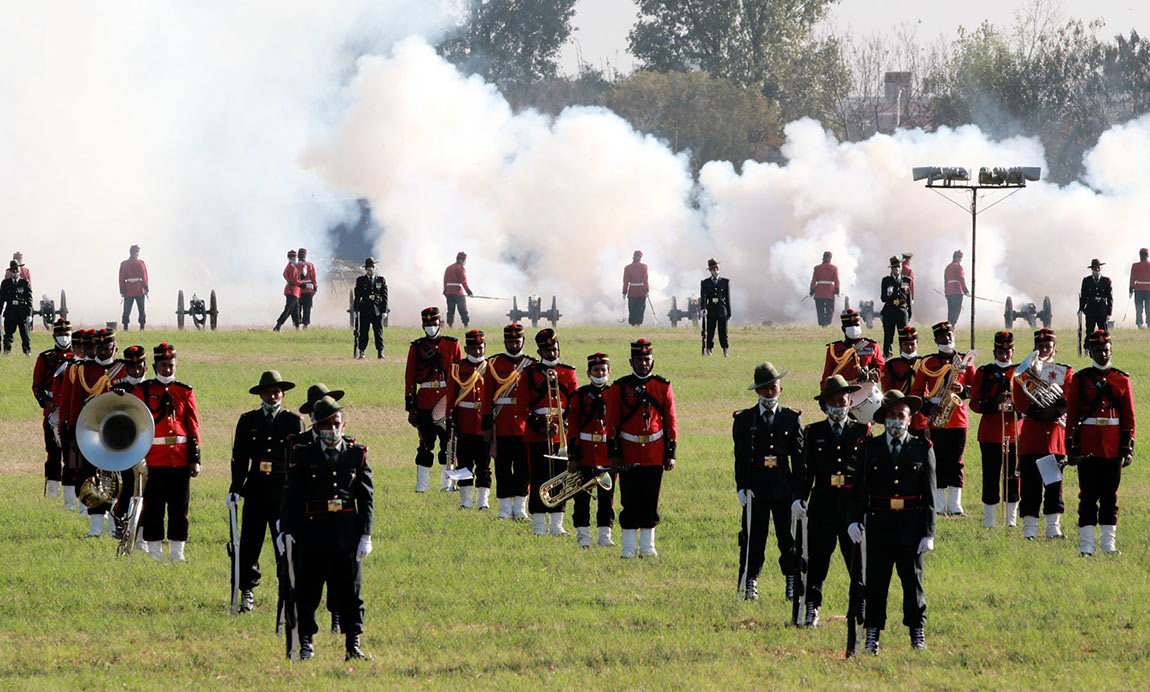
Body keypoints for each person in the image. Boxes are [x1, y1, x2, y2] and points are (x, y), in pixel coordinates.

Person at [280, 396, 373, 661]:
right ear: (317, 428)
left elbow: (366, 498)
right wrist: (285, 530)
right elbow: (292, 496)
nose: (332, 429)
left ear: (344, 423)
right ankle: (306, 642)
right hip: (312, 534)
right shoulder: (303, 454)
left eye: (337, 423)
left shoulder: (357, 453)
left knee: (351, 593)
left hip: (347, 535)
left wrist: (366, 534)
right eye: (326, 425)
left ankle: (353, 644)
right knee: (307, 592)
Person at [855, 390, 936, 654]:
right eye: (891, 415)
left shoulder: (922, 448)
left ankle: (917, 632)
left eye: (901, 415)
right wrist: (856, 521)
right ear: (883, 419)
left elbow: (930, 494)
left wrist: (929, 532)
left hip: (911, 528)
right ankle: (872, 635)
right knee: (876, 584)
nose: (896, 420)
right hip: (879, 526)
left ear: (910, 419)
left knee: (912, 583)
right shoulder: (870, 448)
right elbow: (859, 490)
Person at [791, 375, 868, 626]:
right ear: (825, 404)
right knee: (817, 560)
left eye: (842, 401)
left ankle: (859, 606)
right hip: (822, 502)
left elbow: (866, 474)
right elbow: (806, 472)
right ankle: (812, 607)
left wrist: (864, 509)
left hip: (851, 505)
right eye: (833, 401)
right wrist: (798, 498)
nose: (838, 406)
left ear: (850, 402)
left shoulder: (862, 431)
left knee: (855, 561)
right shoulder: (813, 432)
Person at [228, 371, 303, 613]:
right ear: (260, 394)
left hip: (283, 491)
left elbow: (299, 460)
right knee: (249, 543)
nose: (273, 395)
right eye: (268, 391)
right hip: (257, 488)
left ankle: (288, 590)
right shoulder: (248, 420)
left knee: (285, 544)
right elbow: (239, 458)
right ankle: (247, 591)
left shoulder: (293, 421)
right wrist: (236, 488)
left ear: (283, 394)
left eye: (277, 391)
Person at [731, 362, 802, 599]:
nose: (770, 393)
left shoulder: (792, 419)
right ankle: (749, 581)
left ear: (781, 389)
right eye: (764, 389)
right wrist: (742, 487)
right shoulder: (744, 420)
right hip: (756, 486)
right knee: (753, 538)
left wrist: (800, 494)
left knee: (788, 539)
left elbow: (799, 461)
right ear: (757, 391)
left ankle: (792, 581)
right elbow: (740, 457)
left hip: (784, 486)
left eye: (774, 387)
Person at [1066, 330, 1135, 556]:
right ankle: (1086, 546)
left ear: (1111, 350)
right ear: (1091, 353)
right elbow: (1073, 414)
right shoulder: (1081, 378)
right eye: (1097, 350)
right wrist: (1072, 449)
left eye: (1106, 350)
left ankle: (1108, 545)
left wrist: (1128, 449)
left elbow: (1128, 417)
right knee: (1087, 496)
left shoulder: (1121, 379)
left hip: (1113, 447)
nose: (1102, 354)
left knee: (1109, 496)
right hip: (1088, 446)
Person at [607, 338, 677, 558]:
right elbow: (612, 423)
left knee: (650, 499)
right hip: (628, 451)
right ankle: (628, 548)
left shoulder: (662, 386)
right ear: (631, 361)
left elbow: (670, 423)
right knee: (628, 498)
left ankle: (647, 547)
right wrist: (614, 455)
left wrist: (670, 454)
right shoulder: (619, 387)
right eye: (639, 359)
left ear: (652, 360)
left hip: (654, 452)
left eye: (647, 359)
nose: (643, 363)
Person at [132, 343, 201, 562]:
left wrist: (195, 459)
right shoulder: (143, 390)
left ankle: (177, 553)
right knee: (154, 508)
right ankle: (154, 553)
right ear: (154, 366)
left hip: (179, 459)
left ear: (176, 365)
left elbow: (193, 427)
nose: (167, 369)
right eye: (163, 365)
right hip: (154, 459)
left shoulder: (185, 391)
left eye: (171, 365)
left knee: (179, 508)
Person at [65, 329, 130, 536]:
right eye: (99, 347)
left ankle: (113, 524)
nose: (102, 351)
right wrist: (75, 434)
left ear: (114, 347)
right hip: (92, 431)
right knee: (92, 475)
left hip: (118, 433)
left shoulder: (123, 369)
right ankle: (95, 527)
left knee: (118, 479)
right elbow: (76, 404)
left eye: (107, 348)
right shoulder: (84, 369)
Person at [516, 328, 578, 536]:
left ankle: (557, 524)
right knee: (539, 477)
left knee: (560, 477)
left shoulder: (568, 372)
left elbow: (574, 404)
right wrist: (540, 426)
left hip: (561, 432)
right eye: (547, 350)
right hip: (537, 432)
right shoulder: (529, 373)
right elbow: (522, 406)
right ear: (540, 351)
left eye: (554, 349)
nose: (552, 353)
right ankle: (539, 525)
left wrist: (563, 425)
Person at [1012, 328, 1073, 540]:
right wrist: (1036, 411)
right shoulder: (1024, 373)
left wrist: (1054, 411)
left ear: (1055, 350)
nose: (1045, 350)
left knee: (1054, 483)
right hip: (1032, 434)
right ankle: (1029, 528)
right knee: (1030, 484)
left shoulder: (1064, 371)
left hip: (1054, 435)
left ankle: (1052, 527)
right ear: (1035, 349)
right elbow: (1019, 398)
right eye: (1041, 347)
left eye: (1048, 347)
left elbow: (1068, 395)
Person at [910, 322, 971, 516]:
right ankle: (938, 504)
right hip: (936, 417)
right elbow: (916, 391)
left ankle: (955, 504)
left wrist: (964, 391)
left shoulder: (964, 361)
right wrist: (929, 408)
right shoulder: (928, 363)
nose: (947, 339)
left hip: (958, 417)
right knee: (937, 460)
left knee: (956, 460)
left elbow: (976, 388)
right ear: (936, 339)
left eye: (950, 335)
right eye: (943, 336)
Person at [482, 323, 536, 520]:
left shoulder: (532, 364)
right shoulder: (494, 364)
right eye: (510, 341)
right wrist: (487, 426)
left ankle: (520, 506)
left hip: (525, 426)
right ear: (505, 341)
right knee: (502, 468)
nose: (514, 344)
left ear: (523, 341)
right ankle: (504, 508)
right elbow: (487, 397)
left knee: (523, 469)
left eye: (517, 340)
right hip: (502, 424)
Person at [404, 307, 461, 492]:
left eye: (434, 323)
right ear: (423, 325)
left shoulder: (453, 344)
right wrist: (412, 408)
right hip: (425, 402)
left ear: (440, 324)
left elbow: (460, 376)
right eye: (427, 324)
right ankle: (422, 486)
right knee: (425, 444)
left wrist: (457, 403)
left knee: (449, 445)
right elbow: (410, 378)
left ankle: (448, 485)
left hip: (446, 401)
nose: (431, 327)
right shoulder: (416, 347)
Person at [968, 332, 1021, 528]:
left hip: (1013, 432)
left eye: (1008, 351)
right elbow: (974, 403)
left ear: (1013, 351)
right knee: (990, 476)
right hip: (990, 433)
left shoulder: (1020, 372)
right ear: (994, 351)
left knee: (1013, 477)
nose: (1005, 355)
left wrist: (1018, 407)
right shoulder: (984, 372)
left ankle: (1011, 520)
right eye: (1000, 351)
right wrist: (993, 403)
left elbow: (1027, 401)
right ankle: (990, 521)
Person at [565, 352, 617, 548]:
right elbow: (573, 427)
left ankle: (605, 535)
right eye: (596, 370)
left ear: (609, 371)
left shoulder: (614, 393)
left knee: (607, 497)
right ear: (589, 373)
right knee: (582, 497)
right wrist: (573, 456)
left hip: (606, 453)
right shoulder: (579, 395)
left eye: (603, 370)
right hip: (585, 453)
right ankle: (583, 535)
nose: (600, 373)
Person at [446, 330, 491, 510]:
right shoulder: (457, 368)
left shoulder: (490, 368)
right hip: (464, 422)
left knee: (484, 464)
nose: (478, 351)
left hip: (484, 424)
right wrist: (451, 418)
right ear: (466, 348)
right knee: (463, 463)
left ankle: (483, 501)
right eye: (473, 348)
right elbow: (451, 396)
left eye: (480, 347)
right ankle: (465, 501)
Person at [32, 319, 73, 498]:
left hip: (71, 409)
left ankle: (72, 492)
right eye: (60, 334)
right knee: (53, 451)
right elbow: (37, 386)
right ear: (54, 336)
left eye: (66, 334)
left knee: (72, 452)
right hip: (51, 408)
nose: (63, 338)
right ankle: (53, 490)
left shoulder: (77, 358)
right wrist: (46, 402)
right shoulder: (45, 358)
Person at [820, 309, 884, 391]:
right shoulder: (834, 348)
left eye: (856, 325)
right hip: (843, 390)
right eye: (850, 326)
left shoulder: (872, 345)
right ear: (843, 329)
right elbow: (827, 374)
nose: (854, 328)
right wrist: (824, 393)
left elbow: (881, 367)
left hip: (866, 389)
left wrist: (871, 375)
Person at [353, 257, 388, 359]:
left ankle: (380, 352)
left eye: (372, 267)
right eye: (368, 267)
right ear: (365, 268)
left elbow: (384, 297)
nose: (370, 269)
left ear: (375, 267)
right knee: (363, 332)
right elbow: (357, 297)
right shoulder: (360, 280)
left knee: (378, 333)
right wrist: (356, 310)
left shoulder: (381, 280)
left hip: (377, 310)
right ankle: (362, 352)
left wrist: (384, 311)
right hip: (364, 310)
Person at [879, 256, 913, 358]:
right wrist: (889, 294)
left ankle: (904, 354)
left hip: (902, 312)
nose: (896, 270)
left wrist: (909, 312)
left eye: (898, 267)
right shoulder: (886, 281)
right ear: (891, 270)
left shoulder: (906, 280)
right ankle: (887, 355)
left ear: (900, 268)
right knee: (888, 335)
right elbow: (883, 298)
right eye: (894, 268)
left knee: (903, 335)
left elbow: (908, 298)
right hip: (890, 311)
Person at [1, 259, 33, 355]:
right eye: (13, 270)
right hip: (10, 311)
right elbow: (1, 299)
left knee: (25, 335)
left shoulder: (25, 283)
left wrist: (29, 314)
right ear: (10, 271)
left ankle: (28, 352)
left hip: (22, 312)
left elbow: (29, 300)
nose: (15, 271)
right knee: (8, 335)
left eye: (16, 269)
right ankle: (6, 352)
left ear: (19, 270)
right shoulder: (5, 283)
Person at [700, 258, 731, 356]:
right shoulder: (705, 283)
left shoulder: (725, 282)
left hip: (722, 309)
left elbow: (728, 298)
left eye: (717, 267)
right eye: (713, 268)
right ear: (710, 270)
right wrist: (703, 308)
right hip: (711, 309)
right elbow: (703, 297)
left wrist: (729, 312)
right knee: (710, 331)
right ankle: (709, 349)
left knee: (723, 332)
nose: (715, 270)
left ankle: (725, 350)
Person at [1079, 259, 1113, 340]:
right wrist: (1081, 309)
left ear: (1101, 268)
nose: (1097, 269)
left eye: (1098, 267)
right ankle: (1087, 348)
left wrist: (1109, 313)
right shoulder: (1087, 280)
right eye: (1095, 268)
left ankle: (1106, 348)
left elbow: (1110, 298)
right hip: (1091, 309)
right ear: (1092, 269)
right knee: (1089, 331)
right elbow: (1083, 296)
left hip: (1102, 310)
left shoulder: (1106, 281)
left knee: (1104, 332)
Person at [118, 245, 148, 331]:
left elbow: (121, 278)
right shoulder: (141, 263)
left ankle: (125, 327)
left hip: (128, 289)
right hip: (139, 288)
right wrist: (146, 287)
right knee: (141, 310)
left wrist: (122, 289)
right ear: (137, 253)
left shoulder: (124, 264)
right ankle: (142, 327)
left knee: (126, 310)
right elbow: (144, 276)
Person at [809, 251, 840, 327]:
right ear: (830, 258)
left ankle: (822, 324)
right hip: (829, 292)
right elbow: (837, 280)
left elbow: (813, 281)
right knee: (829, 309)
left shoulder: (817, 268)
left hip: (819, 291)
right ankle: (827, 323)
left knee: (820, 310)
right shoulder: (834, 268)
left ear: (823, 257)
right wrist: (837, 289)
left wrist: (812, 290)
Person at [443, 251, 473, 328]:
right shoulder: (460, 268)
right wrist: (468, 291)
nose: (464, 262)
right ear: (460, 260)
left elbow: (445, 281)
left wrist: (445, 291)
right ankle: (466, 325)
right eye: (464, 260)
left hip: (449, 293)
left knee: (450, 311)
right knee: (463, 310)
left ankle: (450, 326)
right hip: (458, 293)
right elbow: (463, 281)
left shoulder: (448, 268)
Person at [274, 249, 301, 332]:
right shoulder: (292, 267)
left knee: (296, 310)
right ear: (290, 258)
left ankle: (297, 326)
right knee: (288, 309)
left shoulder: (290, 266)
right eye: (293, 257)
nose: (295, 258)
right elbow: (294, 280)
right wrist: (303, 284)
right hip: (292, 291)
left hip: (294, 291)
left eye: (295, 257)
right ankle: (278, 326)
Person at [622, 250, 649, 326]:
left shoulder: (627, 268)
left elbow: (625, 281)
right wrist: (646, 290)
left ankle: (633, 324)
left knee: (632, 309)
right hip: (641, 291)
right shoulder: (644, 267)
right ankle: (638, 324)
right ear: (640, 258)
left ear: (633, 257)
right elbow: (645, 280)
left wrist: (624, 292)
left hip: (632, 292)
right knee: (640, 309)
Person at [943, 250, 968, 326]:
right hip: (957, 291)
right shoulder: (958, 267)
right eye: (960, 258)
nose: (960, 260)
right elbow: (961, 279)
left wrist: (946, 292)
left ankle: (949, 326)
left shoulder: (947, 267)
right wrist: (965, 290)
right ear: (957, 258)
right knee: (956, 311)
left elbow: (945, 280)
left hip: (949, 292)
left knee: (950, 311)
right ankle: (952, 326)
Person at [295, 248, 318, 329]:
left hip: (298, 290)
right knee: (307, 308)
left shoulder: (295, 265)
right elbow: (313, 278)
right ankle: (305, 324)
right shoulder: (310, 265)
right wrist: (315, 287)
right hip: (308, 290)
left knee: (297, 308)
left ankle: (297, 324)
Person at [1130, 248, 1150, 328]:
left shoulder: (1135, 265)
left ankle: (1139, 324)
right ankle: (1149, 324)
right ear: (1147, 255)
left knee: (1139, 309)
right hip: (1149, 290)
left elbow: (1132, 278)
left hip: (1138, 290)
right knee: (1149, 309)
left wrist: (1131, 289)